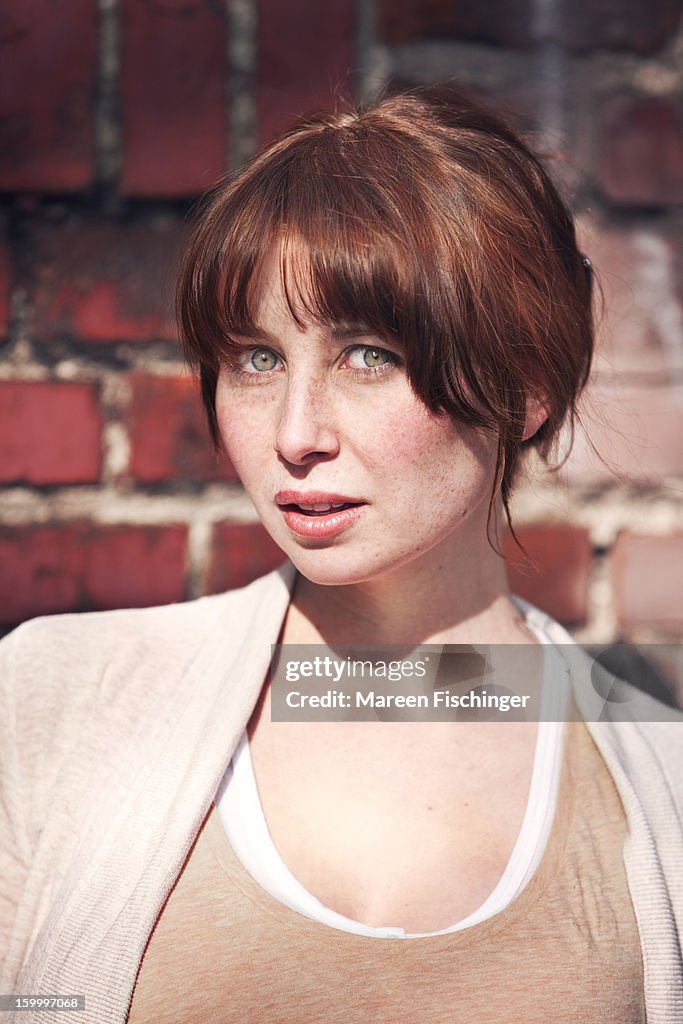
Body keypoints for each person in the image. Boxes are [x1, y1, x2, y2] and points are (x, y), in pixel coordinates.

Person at [1, 86, 682, 1024]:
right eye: (256, 358)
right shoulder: (58, 703)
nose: (294, 434)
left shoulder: (660, 787)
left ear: (524, 385)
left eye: (368, 356)